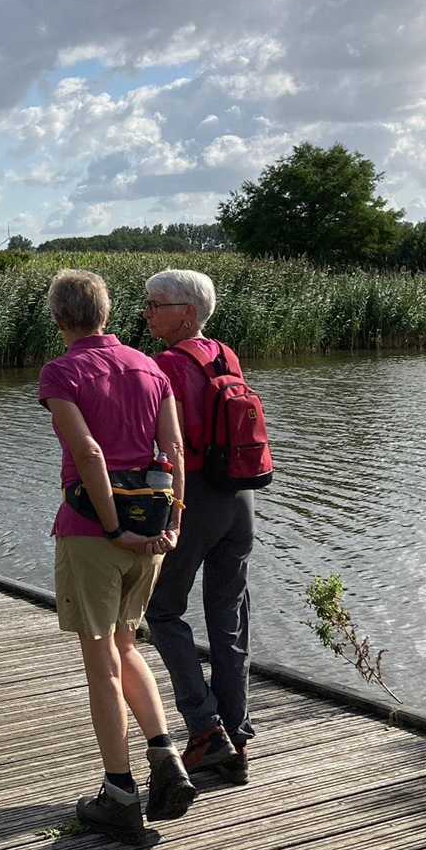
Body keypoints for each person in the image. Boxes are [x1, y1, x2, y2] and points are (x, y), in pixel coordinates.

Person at [38, 268, 194, 843]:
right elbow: (174, 449)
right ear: (106, 314)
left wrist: (112, 528)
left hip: (93, 531)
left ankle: (120, 792)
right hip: (153, 530)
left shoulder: (61, 372)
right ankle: (166, 758)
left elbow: (89, 452)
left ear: (59, 320)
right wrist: (171, 521)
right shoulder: (151, 367)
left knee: (101, 659)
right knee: (128, 646)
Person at [142, 269, 257, 785]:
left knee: (162, 610)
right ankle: (237, 733)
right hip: (241, 498)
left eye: (155, 304)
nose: (146, 312)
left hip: (199, 498)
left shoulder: (165, 364)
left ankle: (205, 726)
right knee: (229, 615)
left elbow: (162, 442)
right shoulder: (224, 355)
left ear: (187, 312)